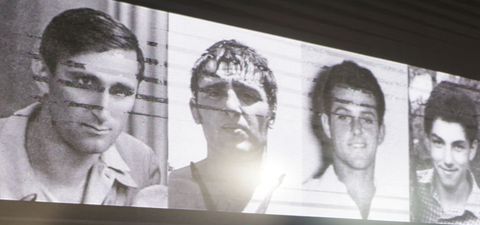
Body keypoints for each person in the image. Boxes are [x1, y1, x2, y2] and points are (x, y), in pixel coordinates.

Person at [0, 8, 162, 205]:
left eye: (120, 91)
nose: (102, 110)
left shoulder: (141, 162)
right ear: (42, 73)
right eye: (85, 83)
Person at [168, 39, 282, 213]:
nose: (231, 107)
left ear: (271, 113)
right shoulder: (166, 193)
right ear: (195, 110)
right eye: (214, 93)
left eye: (248, 95)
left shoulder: (302, 195)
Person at [300, 60, 395, 220]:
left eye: (367, 118)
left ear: (381, 131)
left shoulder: (400, 204)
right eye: (343, 116)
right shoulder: (302, 201)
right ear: (327, 125)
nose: (356, 129)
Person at [411, 80, 480, 225]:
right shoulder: (412, 189)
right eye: (439, 143)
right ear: (427, 143)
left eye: (458, 146)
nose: (448, 160)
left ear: (472, 149)